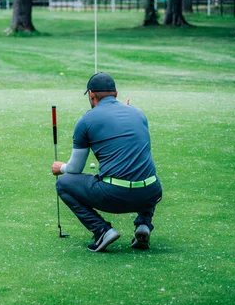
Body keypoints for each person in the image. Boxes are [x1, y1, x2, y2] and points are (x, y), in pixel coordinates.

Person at [52, 72, 162, 252]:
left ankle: (102, 231)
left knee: (64, 183)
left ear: (91, 95)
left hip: (114, 197)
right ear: (116, 94)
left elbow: (75, 168)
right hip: (151, 194)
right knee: (145, 172)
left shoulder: (86, 120)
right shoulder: (138, 113)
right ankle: (143, 225)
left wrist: (60, 167)